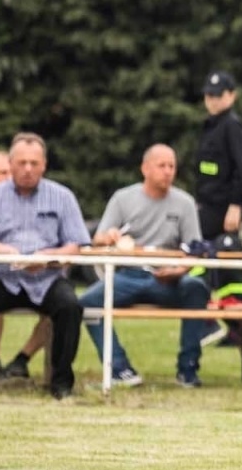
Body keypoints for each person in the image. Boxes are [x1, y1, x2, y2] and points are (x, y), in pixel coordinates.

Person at [79, 144, 209, 387]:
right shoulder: (123, 198)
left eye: (172, 166)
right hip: (129, 275)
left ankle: (188, 369)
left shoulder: (185, 203)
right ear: (145, 168)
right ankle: (119, 369)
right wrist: (110, 237)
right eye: (162, 165)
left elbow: (195, 250)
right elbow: (98, 238)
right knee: (87, 303)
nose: (168, 171)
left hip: (169, 278)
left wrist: (178, 271)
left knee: (197, 288)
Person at [0, 133, 88, 399]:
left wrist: (48, 256)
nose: (27, 169)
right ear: (10, 164)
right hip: (3, 277)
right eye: (22, 162)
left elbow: (76, 245)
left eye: (34, 163)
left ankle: (60, 384)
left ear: (44, 165)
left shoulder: (62, 196)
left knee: (70, 306)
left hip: (47, 278)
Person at [0, 149, 51, 379]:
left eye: (10, 171)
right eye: (2, 172)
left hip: (19, 272)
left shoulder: (26, 198)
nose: (9, 177)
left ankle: (19, 361)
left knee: (64, 303)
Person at [194, 70, 242, 346]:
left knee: (216, 263)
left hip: (223, 210)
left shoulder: (232, 126)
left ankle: (231, 327)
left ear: (232, 96)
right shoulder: (211, 126)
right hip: (207, 206)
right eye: (209, 95)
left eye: (218, 95)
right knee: (207, 262)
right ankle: (213, 321)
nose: (212, 100)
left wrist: (236, 206)